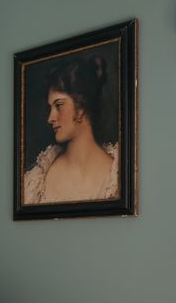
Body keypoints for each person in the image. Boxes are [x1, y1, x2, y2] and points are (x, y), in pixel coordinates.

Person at [22, 54, 119, 205]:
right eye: (50, 108)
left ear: (81, 108)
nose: (50, 118)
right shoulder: (37, 179)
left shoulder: (117, 176)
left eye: (59, 105)